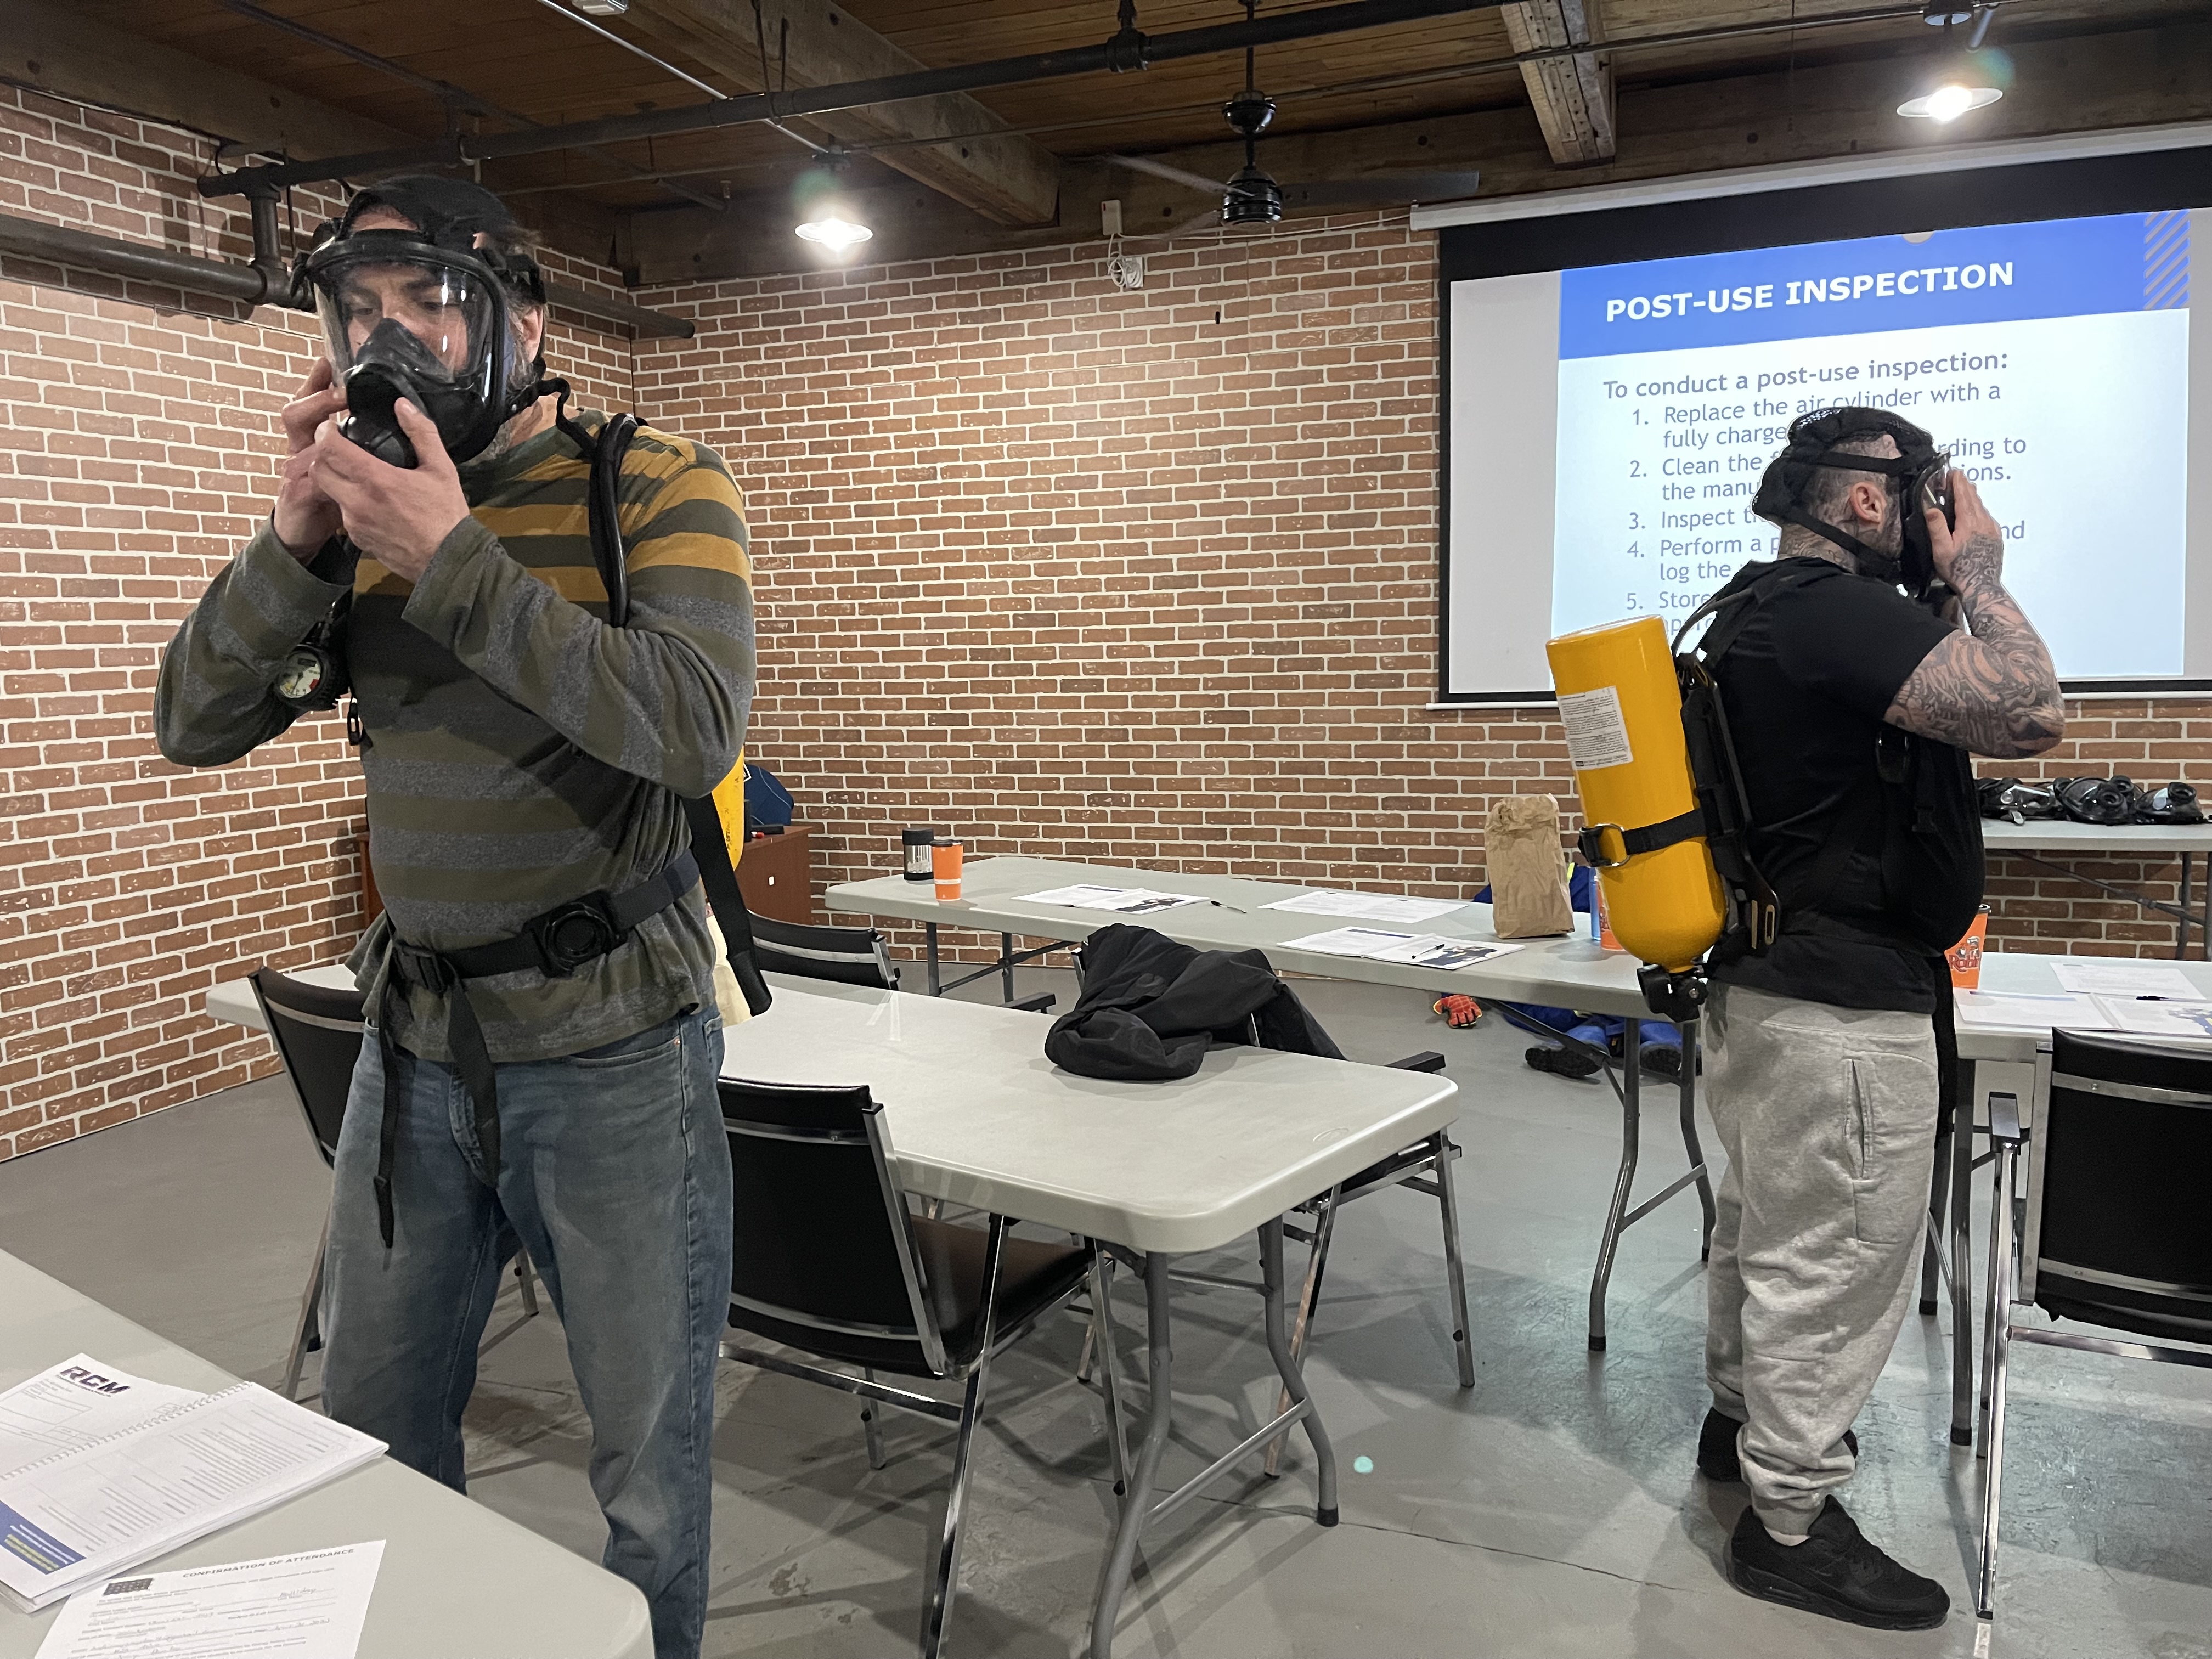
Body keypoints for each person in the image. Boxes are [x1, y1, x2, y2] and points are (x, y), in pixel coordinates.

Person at [154, 176, 755, 1659]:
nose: (391, 339)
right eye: (359, 309)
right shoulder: (355, 514)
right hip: (418, 1044)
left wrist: (453, 556)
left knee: (648, 1459)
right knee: (373, 1421)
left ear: (522, 322)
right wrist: (296, 540)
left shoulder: (656, 480)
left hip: (615, 1049)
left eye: (429, 303)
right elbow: (194, 722)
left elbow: (693, 730)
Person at [1693, 408, 2062, 1629]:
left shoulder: (1750, 612)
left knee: (1764, 1234)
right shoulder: (1837, 613)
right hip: (1842, 1017)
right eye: (1927, 496)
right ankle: (1790, 1524)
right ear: (1866, 501)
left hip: (1768, 996)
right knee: (1834, 1264)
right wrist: (1980, 575)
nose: (1942, 519)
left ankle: (1738, 1429)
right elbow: (2029, 709)